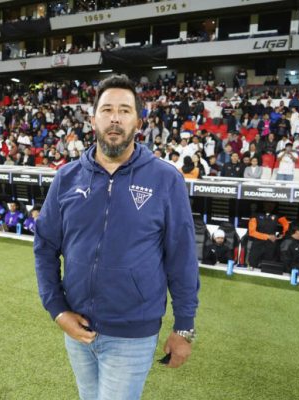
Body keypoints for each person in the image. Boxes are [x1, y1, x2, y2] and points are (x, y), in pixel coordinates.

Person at [34, 75, 199, 400]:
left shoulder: (166, 179)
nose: (115, 118)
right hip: (78, 328)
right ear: (92, 119)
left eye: (124, 110)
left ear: (139, 122)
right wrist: (57, 309)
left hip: (132, 335)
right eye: (107, 109)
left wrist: (184, 325)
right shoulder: (66, 178)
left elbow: (182, 257)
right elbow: (45, 247)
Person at [247, 202, 289, 269]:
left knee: (267, 267)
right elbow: (252, 232)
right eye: (268, 204)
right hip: (257, 245)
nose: (270, 206)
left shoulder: (277, 215)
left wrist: (282, 234)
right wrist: (268, 237)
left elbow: (286, 225)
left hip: (270, 246)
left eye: (272, 204)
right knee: (252, 265)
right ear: (264, 204)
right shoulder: (255, 215)